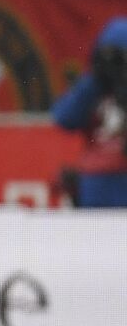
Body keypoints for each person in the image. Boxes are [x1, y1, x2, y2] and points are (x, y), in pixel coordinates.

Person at [52, 17, 127, 208]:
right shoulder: (93, 86)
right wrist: (94, 80)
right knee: (96, 235)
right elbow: (64, 118)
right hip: (96, 180)